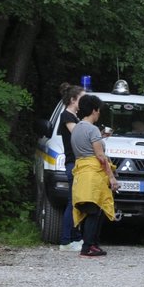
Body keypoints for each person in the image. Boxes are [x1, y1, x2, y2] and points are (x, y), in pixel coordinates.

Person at [70, 94, 122, 257]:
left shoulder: (77, 127)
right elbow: (100, 157)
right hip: (93, 174)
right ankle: (88, 247)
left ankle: (91, 244)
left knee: (88, 210)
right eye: (98, 110)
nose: (99, 113)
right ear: (94, 110)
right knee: (94, 210)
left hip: (81, 173)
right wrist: (112, 177)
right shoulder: (92, 129)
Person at [56, 82, 86, 252]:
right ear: (74, 100)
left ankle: (76, 238)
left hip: (78, 163)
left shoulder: (74, 117)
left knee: (77, 202)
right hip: (72, 163)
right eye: (83, 98)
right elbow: (78, 134)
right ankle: (66, 240)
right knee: (72, 202)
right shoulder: (67, 116)